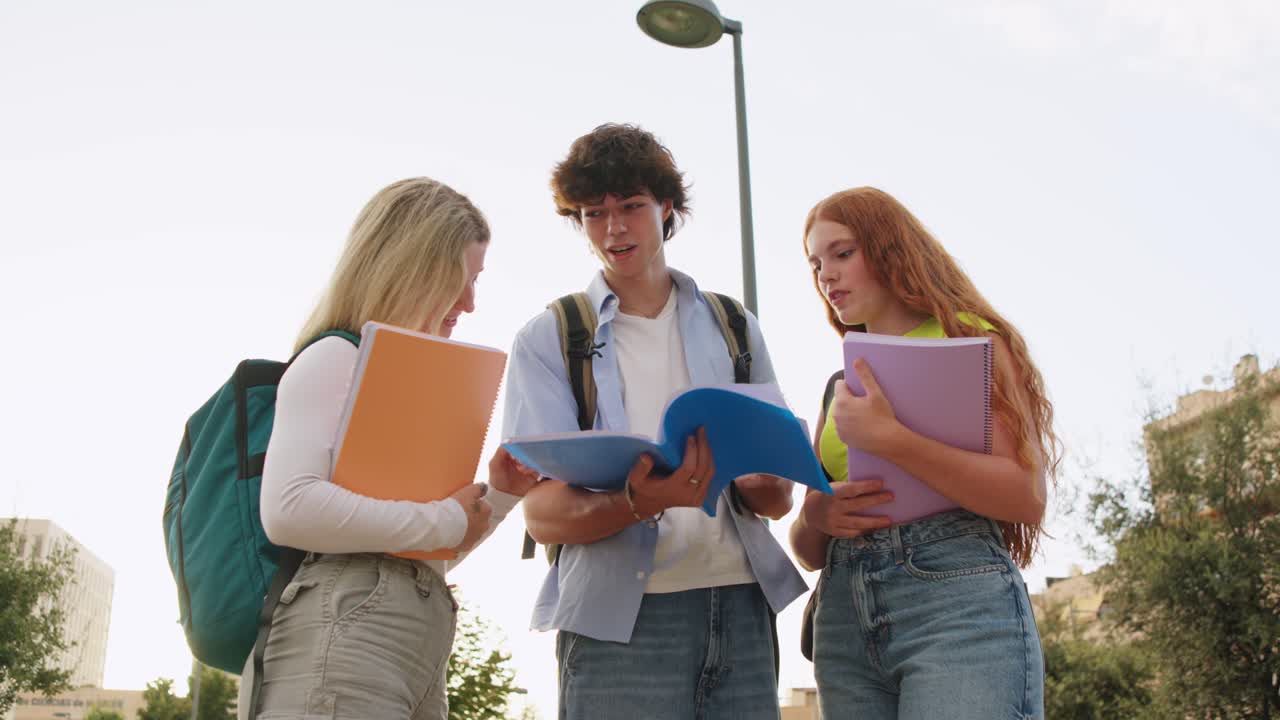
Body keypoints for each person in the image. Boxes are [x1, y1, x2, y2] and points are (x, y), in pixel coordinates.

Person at [502, 123, 807, 720]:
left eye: (631, 207)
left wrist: (764, 482)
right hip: (622, 626)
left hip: (741, 610)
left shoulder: (733, 324)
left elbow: (777, 500)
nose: (614, 228)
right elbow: (541, 516)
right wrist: (640, 502)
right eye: (594, 213)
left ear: (667, 207)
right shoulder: (550, 339)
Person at [239, 177, 539, 720]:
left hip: (411, 640)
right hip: (345, 630)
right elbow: (288, 511)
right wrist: (448, 521)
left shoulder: (408, 382)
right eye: (461, 280)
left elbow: (428, 543)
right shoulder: (334, 357)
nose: (470, 304)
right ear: (414, 269)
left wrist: (497, 497)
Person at [789, 187, 1059, 719]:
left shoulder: (971, 342)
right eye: (817, 263)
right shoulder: (838, 388)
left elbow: (1026, 497)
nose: (827, 275)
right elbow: (807, 550)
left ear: (890, 250)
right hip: (843, 621)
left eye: (843, 254)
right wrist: (815, 514)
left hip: (956, 606)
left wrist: (894, 441)